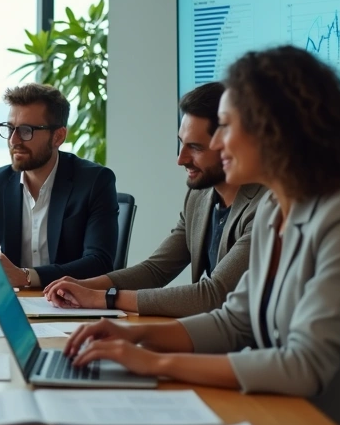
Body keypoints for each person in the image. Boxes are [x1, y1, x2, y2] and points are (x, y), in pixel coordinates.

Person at [65, 46, 340, 425]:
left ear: (273, 130)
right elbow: (234, 320)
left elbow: (303, 365)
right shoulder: (276, 209)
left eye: (226, 127)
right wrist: (135, 335)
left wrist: (155, 364)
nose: (216, 141)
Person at [42, 82, 263, 316]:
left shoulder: (265, 207)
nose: (181, 159)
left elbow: (213, 295)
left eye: (195, 147)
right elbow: (155, 270)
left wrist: (105, 298)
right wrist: (84, 285)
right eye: (181, 143)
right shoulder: (199, 196)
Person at [0, 83, 119, 289]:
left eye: (26, 131)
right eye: (10, 129)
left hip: (75, 307)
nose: (14, 140)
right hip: (15, 306)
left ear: (58, 136)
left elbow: (99, 262)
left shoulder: (94, 182)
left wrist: (27, 277)